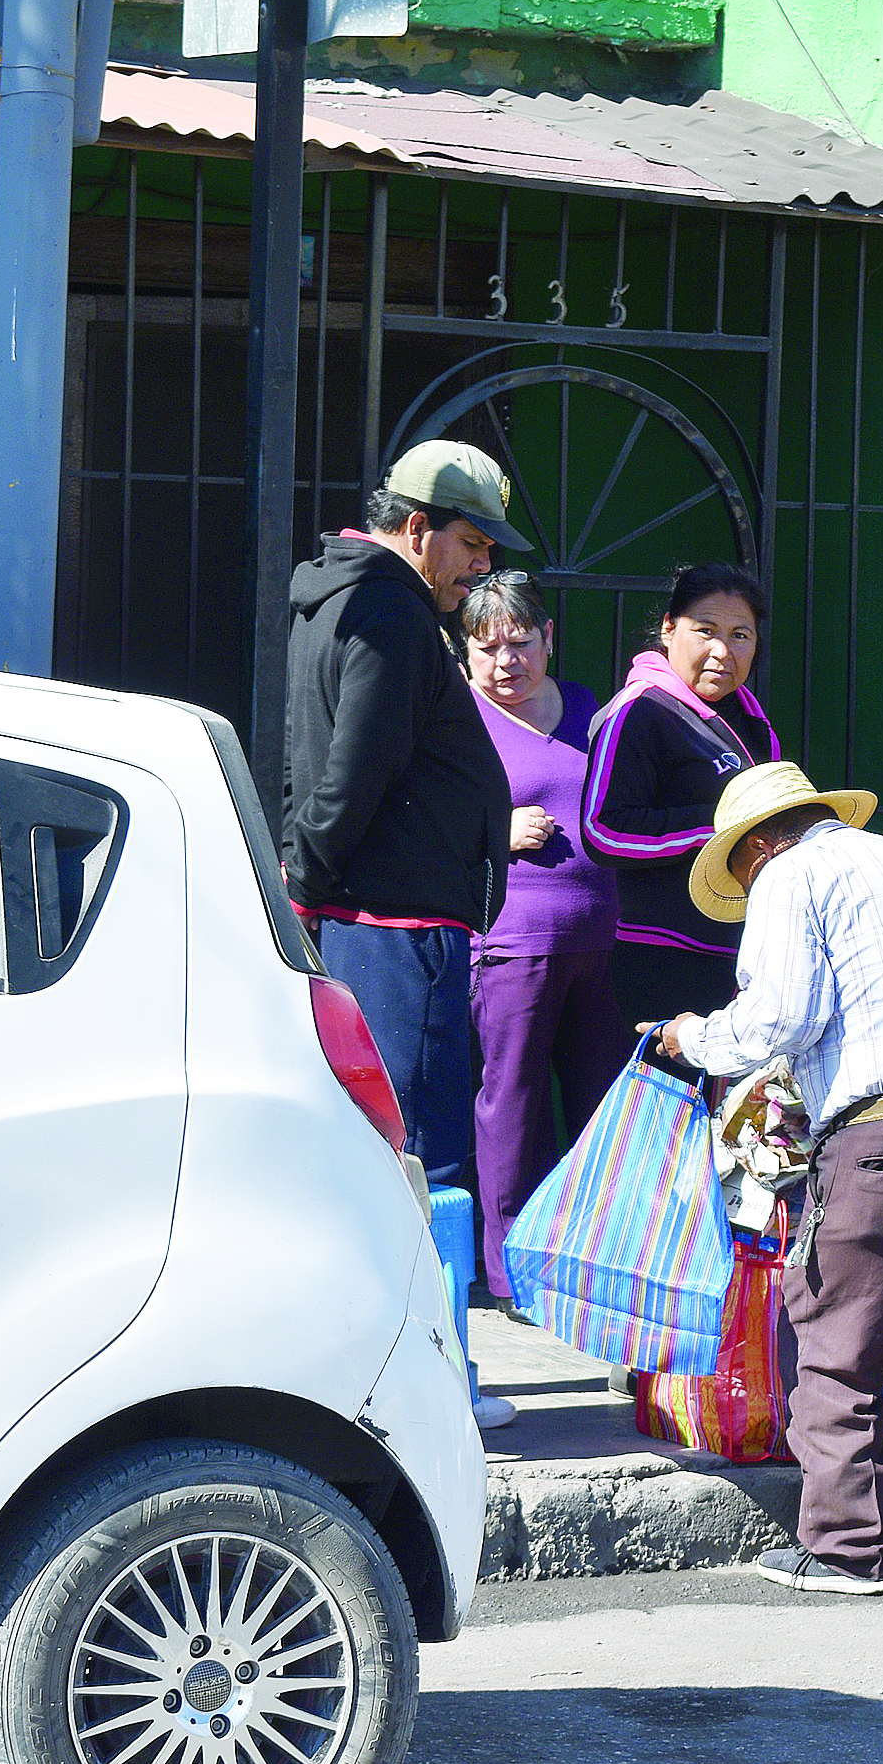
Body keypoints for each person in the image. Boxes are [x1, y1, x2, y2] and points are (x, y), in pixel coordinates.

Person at [651, 762, 883, 1596]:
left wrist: (692, 1036)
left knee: (835, 1349)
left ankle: (850, 1547)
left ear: (756, 847)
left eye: (741, 875)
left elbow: (781, 1015)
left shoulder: (790, 875)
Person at [283, 441, 521, 1205]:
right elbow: (351, 772)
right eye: (472, 544)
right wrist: (306, 885)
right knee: (415, 1161)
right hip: (395, 931)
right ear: (419, 529)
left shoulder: (354, 600)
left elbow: (313, 770)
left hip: (375, 920)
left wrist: (305, 885)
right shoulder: (388, 614)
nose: (481, 567)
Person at [460, 571, 623, 1320]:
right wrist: (492, 831)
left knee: (601, 1107)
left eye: (520, 644)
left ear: (547, 638)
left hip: (603, 939)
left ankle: (594, 1260)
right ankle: (507, 1272)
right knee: (513, 1109)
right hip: (511, 943)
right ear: (464, 651)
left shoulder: (590, 709)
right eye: (487, 647)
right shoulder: (454, 720)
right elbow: (408, 821)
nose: (506, 663)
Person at [582, 564, 783, 1033]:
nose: (722, 651)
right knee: (665, 1105)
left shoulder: (752, 724)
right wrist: (720, 828)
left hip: (741, 956)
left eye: (740, 635)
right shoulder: (639, 713)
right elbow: (603, 832)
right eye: (705, 631)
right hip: (664, 957)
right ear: (669, 630)